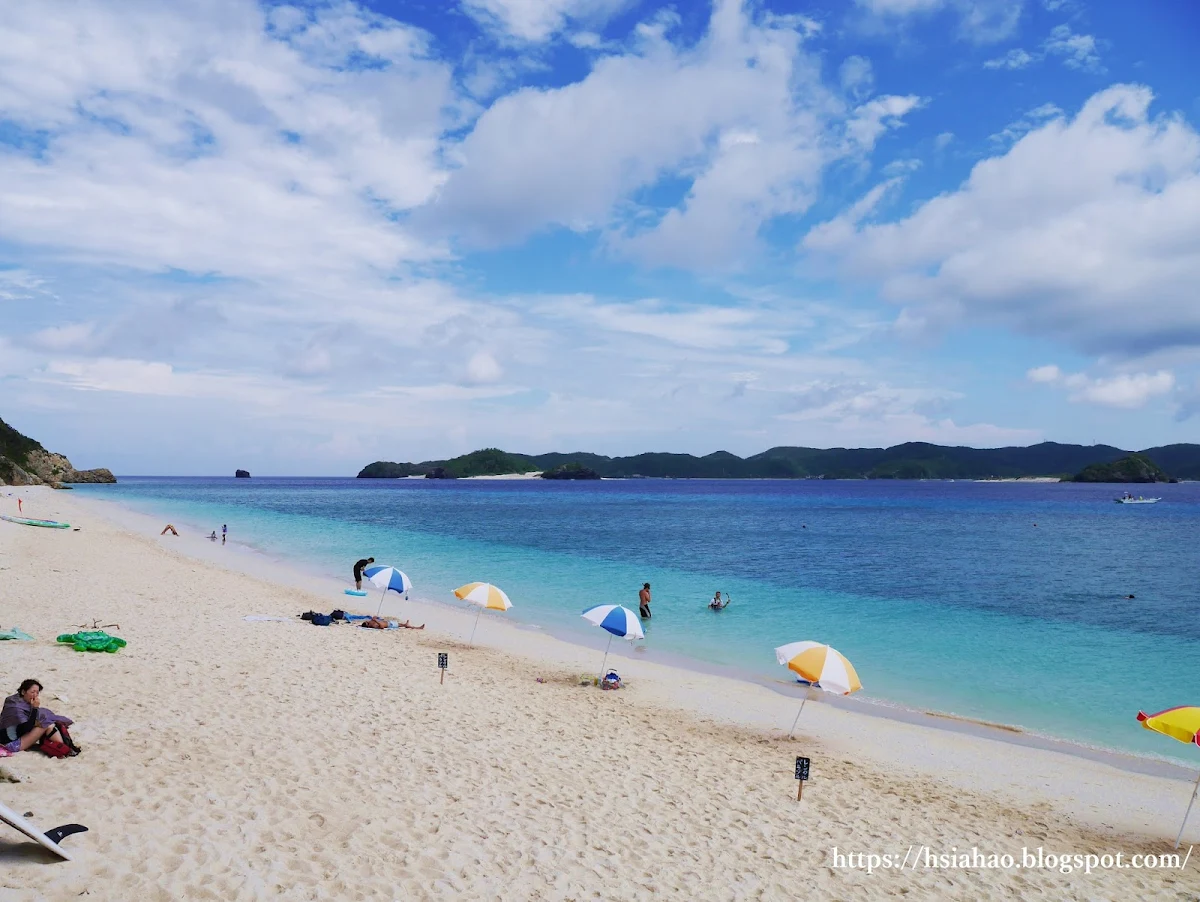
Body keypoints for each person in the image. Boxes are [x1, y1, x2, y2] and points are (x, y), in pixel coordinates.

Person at [1, 679, 80, 755]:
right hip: (11, 743)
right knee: (47, 724)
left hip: (19, 735)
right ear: (23, 692)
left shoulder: (19, 701)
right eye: (32, 692)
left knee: (48, 723)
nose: (35, 695)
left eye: (37, 692)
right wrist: (35, 708)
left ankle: (64, 747)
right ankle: (64, 749)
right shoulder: (15, 707)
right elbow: (26, 728)